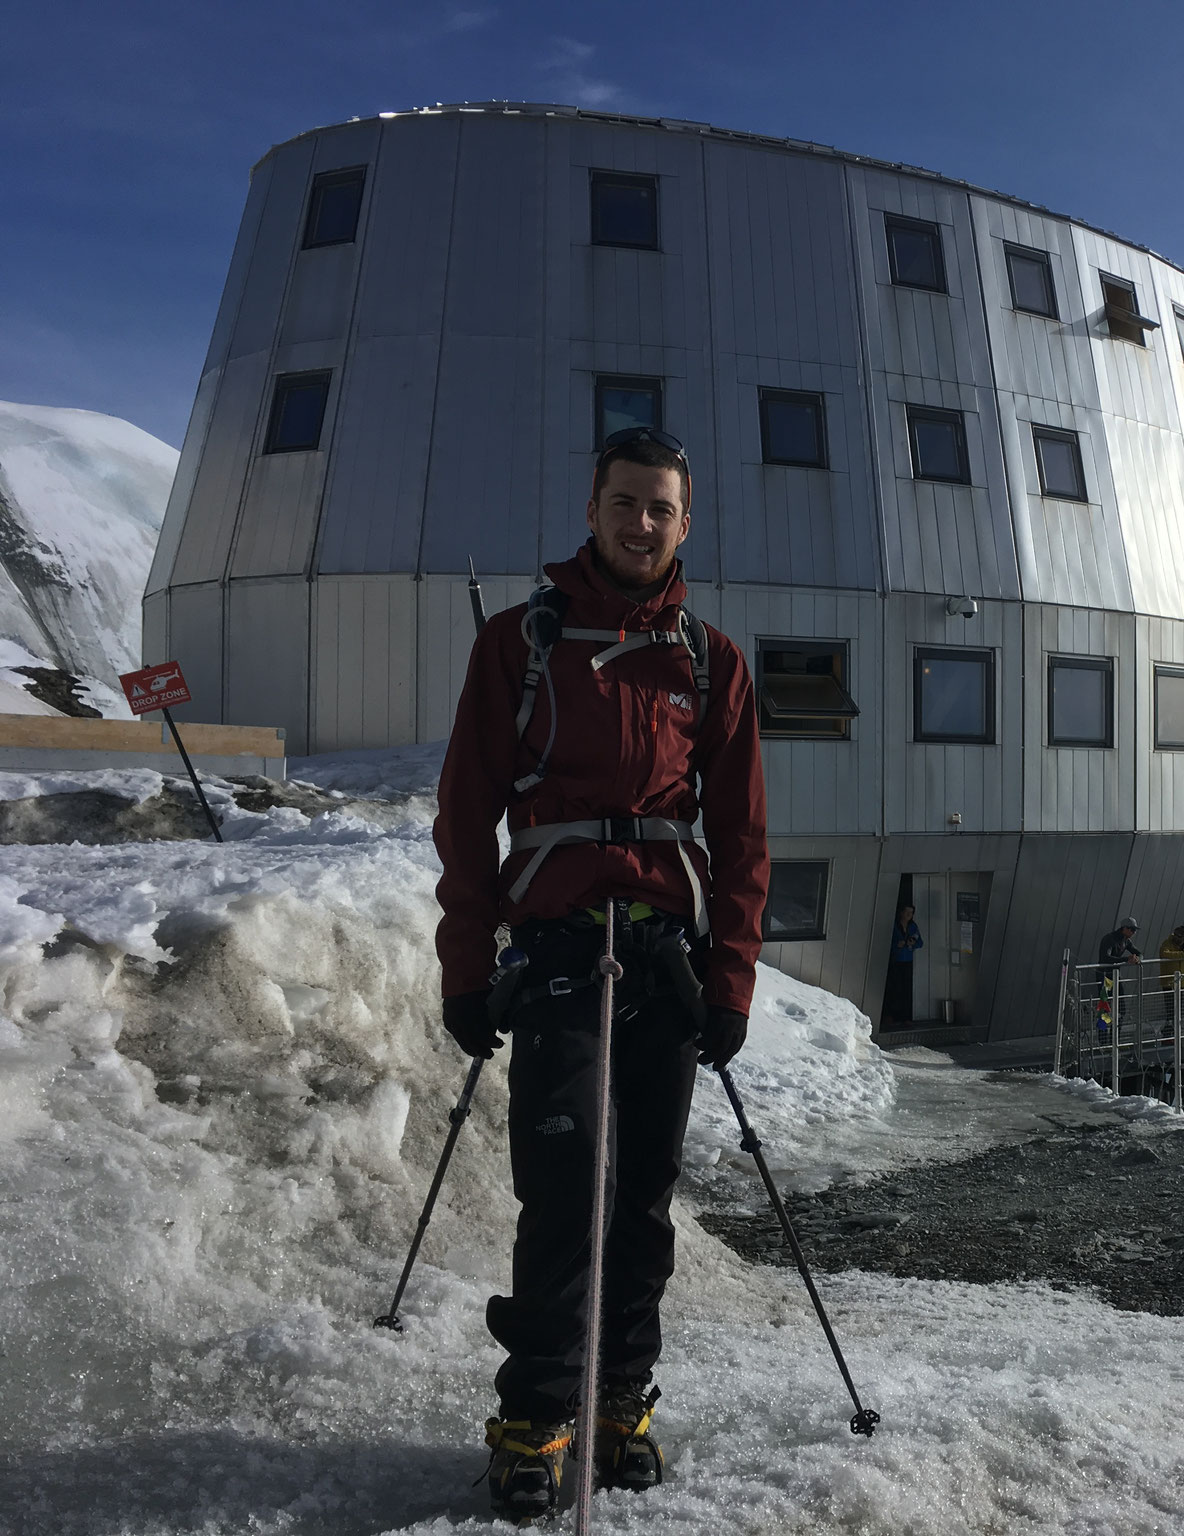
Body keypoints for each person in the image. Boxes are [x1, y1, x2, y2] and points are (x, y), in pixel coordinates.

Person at [433, 425, 768, 1521]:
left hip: (664, 959)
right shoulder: (519, 646)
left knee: (644, 1199)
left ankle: (620, 1401)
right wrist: (466, 966)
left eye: (660, 508)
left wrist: (730, 983)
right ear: (591, 508)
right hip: (562, 950)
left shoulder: (709, 661)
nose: (640, 525)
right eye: (624, 503)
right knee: (565, 1190)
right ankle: (535, 1416)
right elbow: (464, 814)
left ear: (684, 521)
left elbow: (745, 836)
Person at [1095, 918, 1141, 1036]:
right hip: (1105, 976)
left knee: (1121, 1008)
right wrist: (1126, 959)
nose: (1133, 933)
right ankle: (1103, 1039)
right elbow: (1106, 957)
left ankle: (1115, 1038)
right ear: (1124, 928)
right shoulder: (1110, 938)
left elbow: (1138, 952)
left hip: (1116, 976)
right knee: (1105, 1008)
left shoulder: (1126, 940)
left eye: (1135, 930)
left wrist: (1137, 958)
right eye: (1132, 930)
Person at [882, 904, 922, 1027]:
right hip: (895, 960)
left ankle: (905, 1017)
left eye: (911, 913)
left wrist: (912, 943)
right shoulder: (894, 925)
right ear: (901, 913)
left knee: (906, 989)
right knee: (893, 988)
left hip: (907, 961)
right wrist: (896, 945)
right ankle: (890, 1016)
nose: (909, 915)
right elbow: (885, 940)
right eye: (907, 912)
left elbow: (920, 942)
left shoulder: (913, 926)